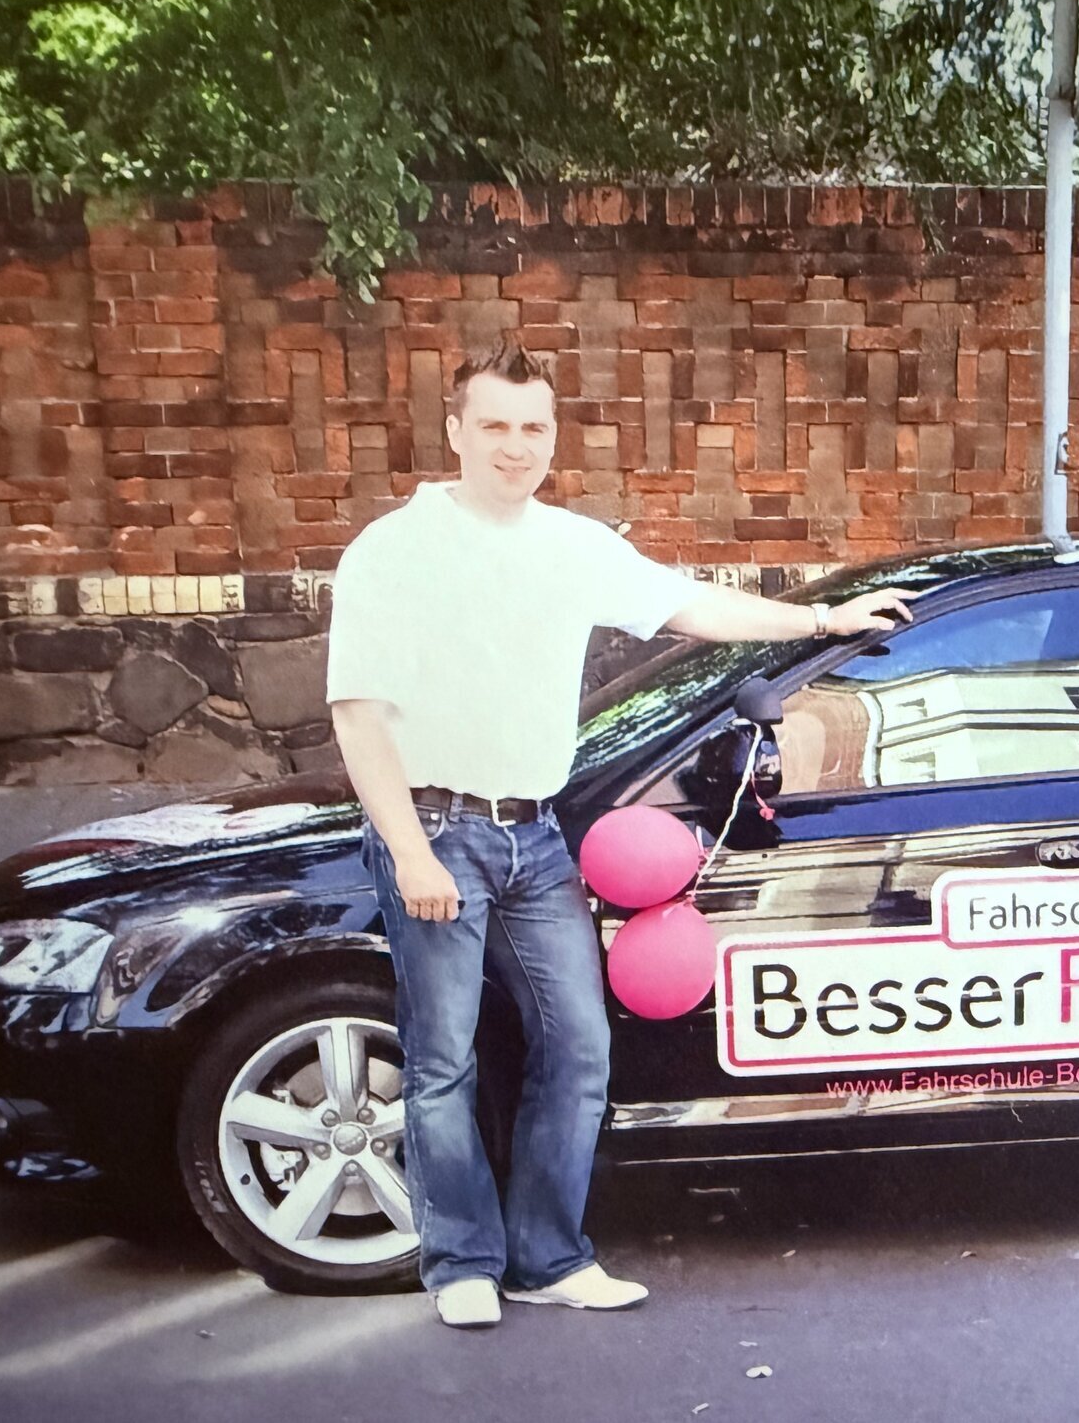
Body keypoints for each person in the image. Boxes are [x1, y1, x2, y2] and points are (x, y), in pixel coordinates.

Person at [326, 339, 912, 1329]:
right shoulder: (396, 551)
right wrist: (413, 853)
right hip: (435, 828)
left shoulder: (571, 546)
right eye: (497, 426)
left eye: (534, 428)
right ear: (457, 432)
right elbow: (356, 712)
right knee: (441, 1061)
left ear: (551, 437)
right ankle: (461, 1262)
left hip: (534, 838)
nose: (517, 447)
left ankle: (549, 1257)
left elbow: (691, 605)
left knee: (581, 1047)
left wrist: (819, 621)